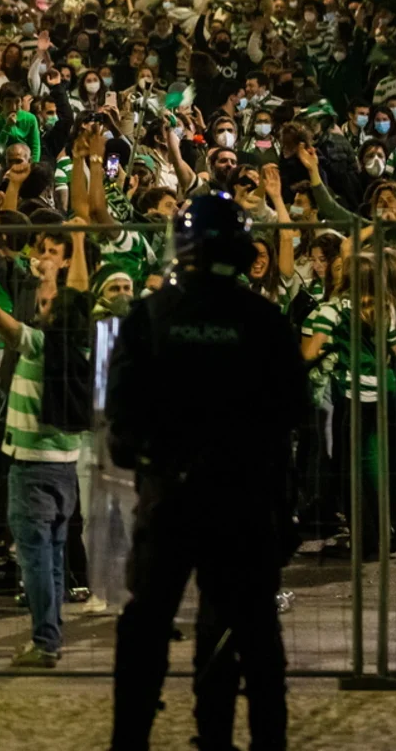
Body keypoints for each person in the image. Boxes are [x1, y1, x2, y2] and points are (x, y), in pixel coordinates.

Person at [106, 193, 311, 751]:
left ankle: (130, 739)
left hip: (169, 498)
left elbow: (120, 419)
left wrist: (152, 459)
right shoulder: (264, 321)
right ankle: (250, 740)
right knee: (249, 634)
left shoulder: (152, 316)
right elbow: (295, 409)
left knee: (146, 627)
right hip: (243, 501)